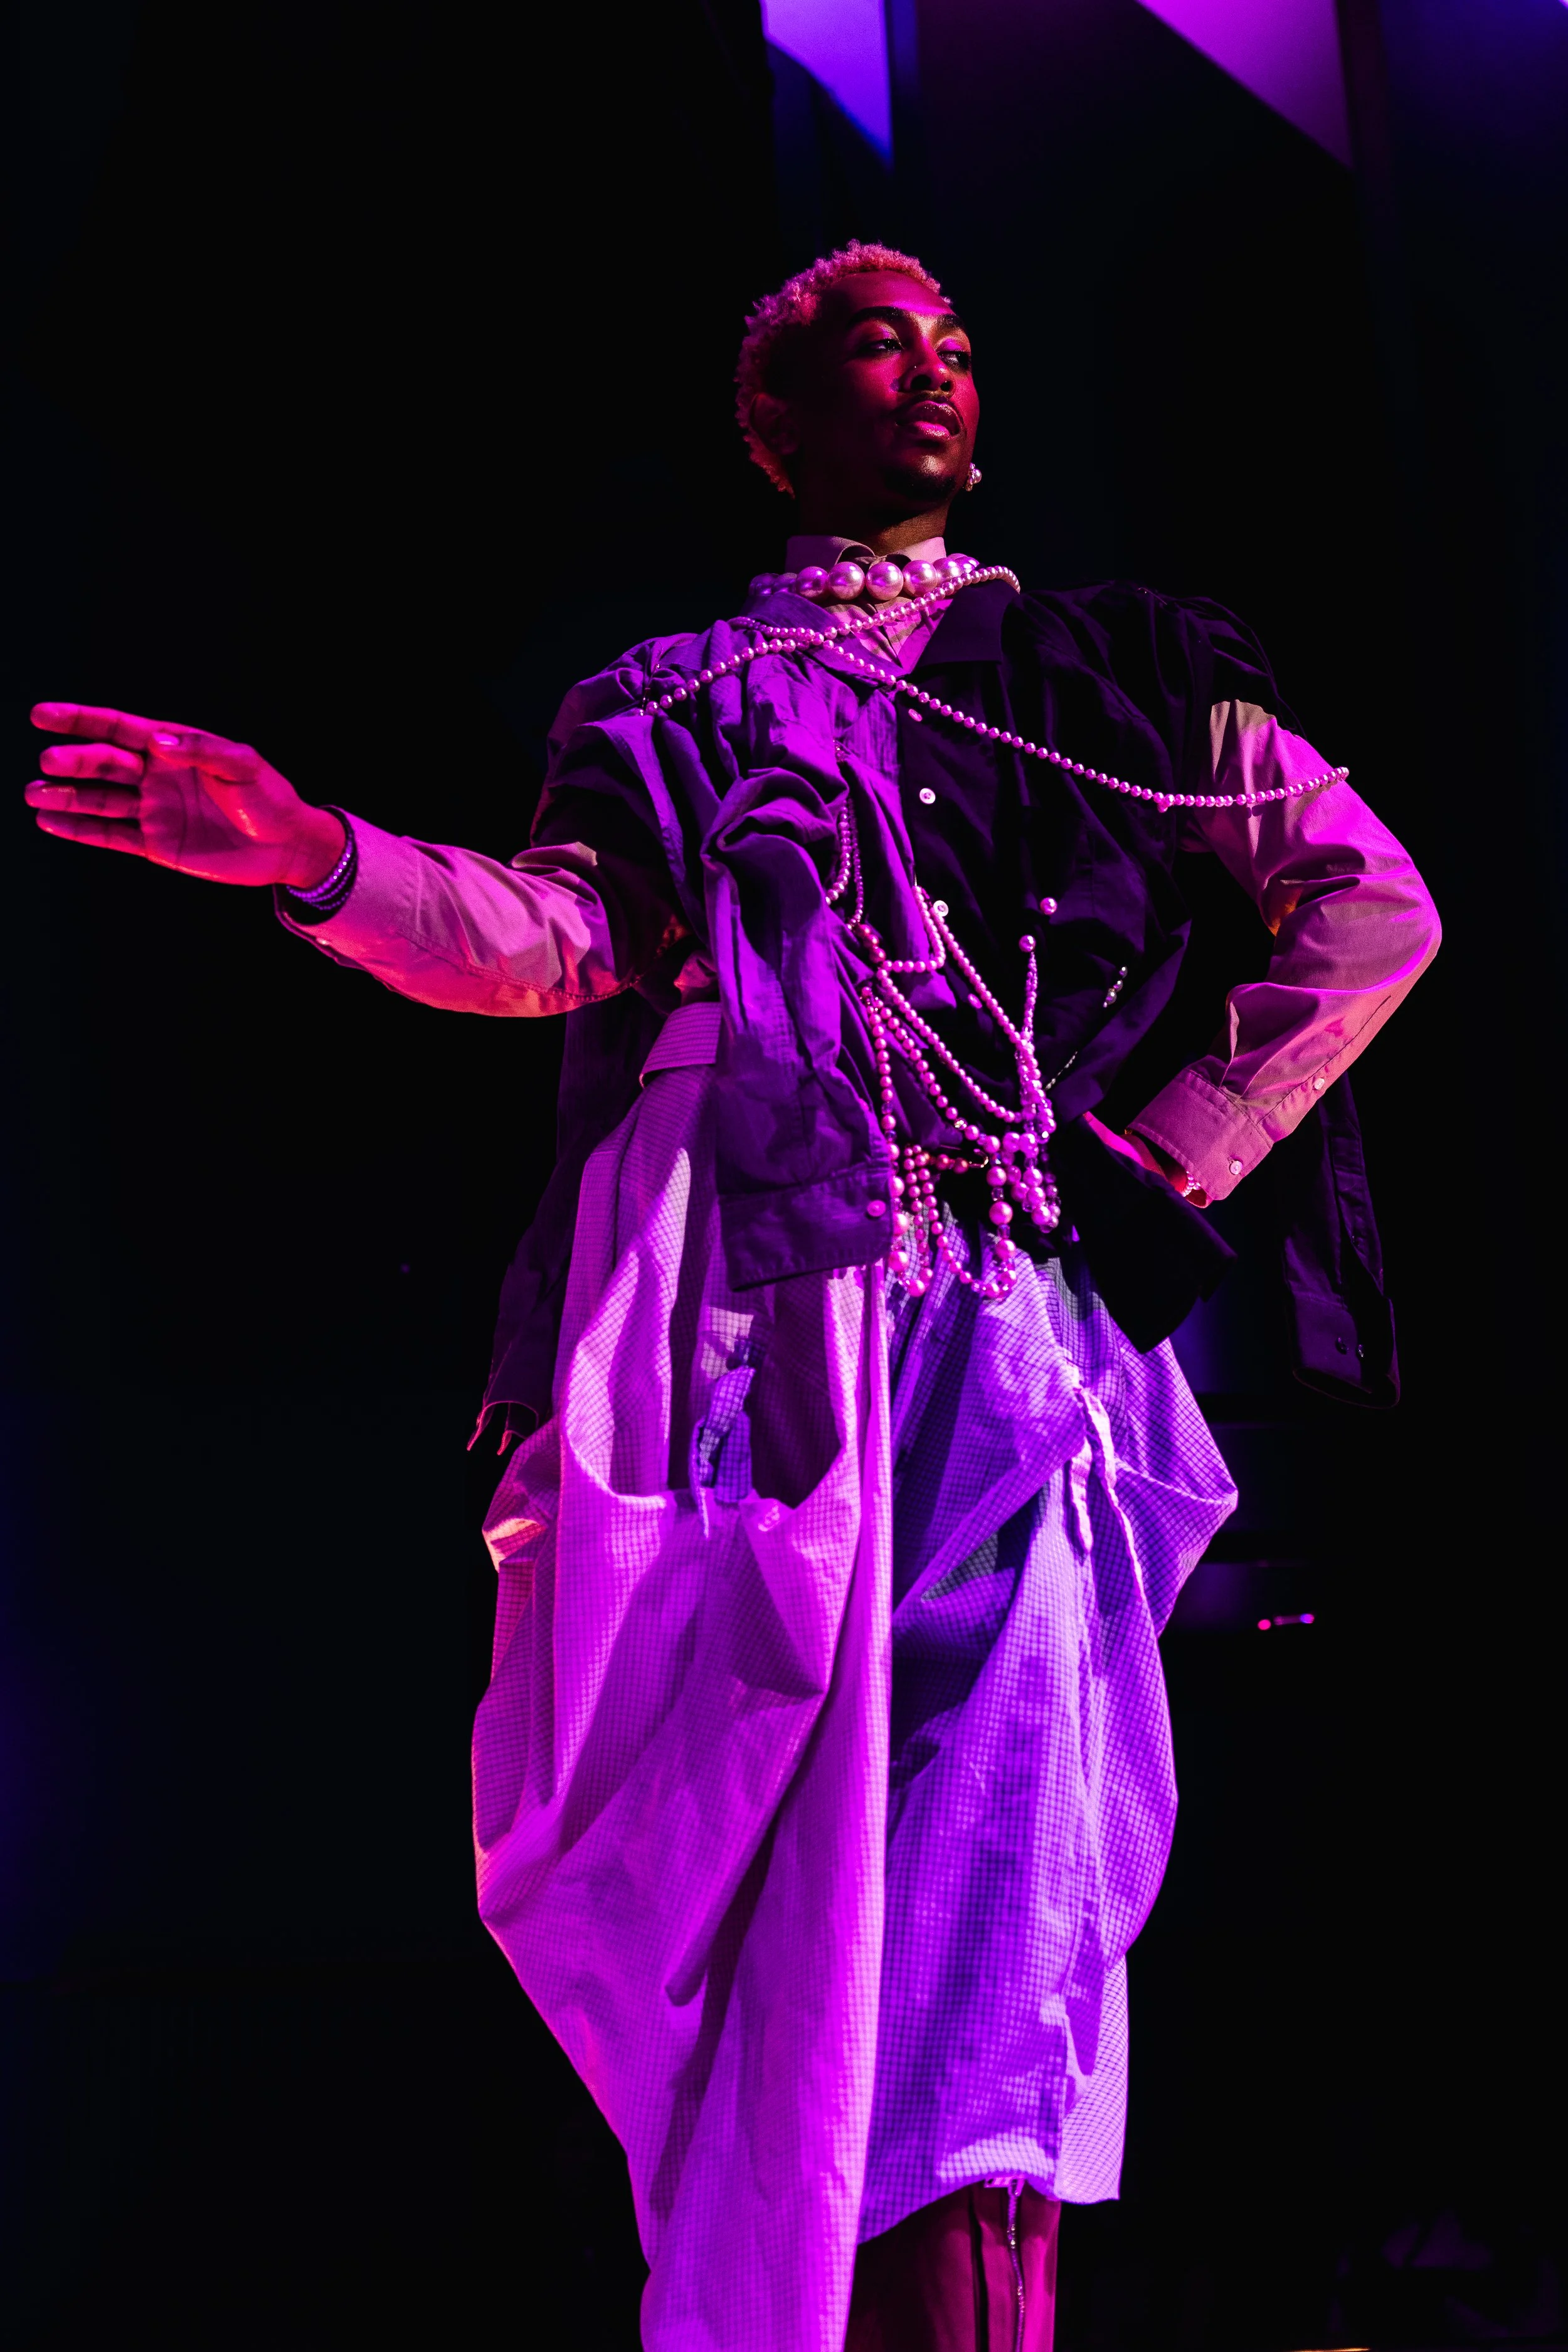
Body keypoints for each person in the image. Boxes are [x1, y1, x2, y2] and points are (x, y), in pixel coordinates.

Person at [25, 241, 1438, 2352]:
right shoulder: (674, 700)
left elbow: (1366, 900)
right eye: (881, 346)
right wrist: (313, 851)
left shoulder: (1121, 675)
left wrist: (1156, 1162)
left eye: (960, 344)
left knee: (997, 1898)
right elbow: (547, 938)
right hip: (726, 1349)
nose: (937, 373)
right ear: (773, 421)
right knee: (710, 1893)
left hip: (1001, 1322)